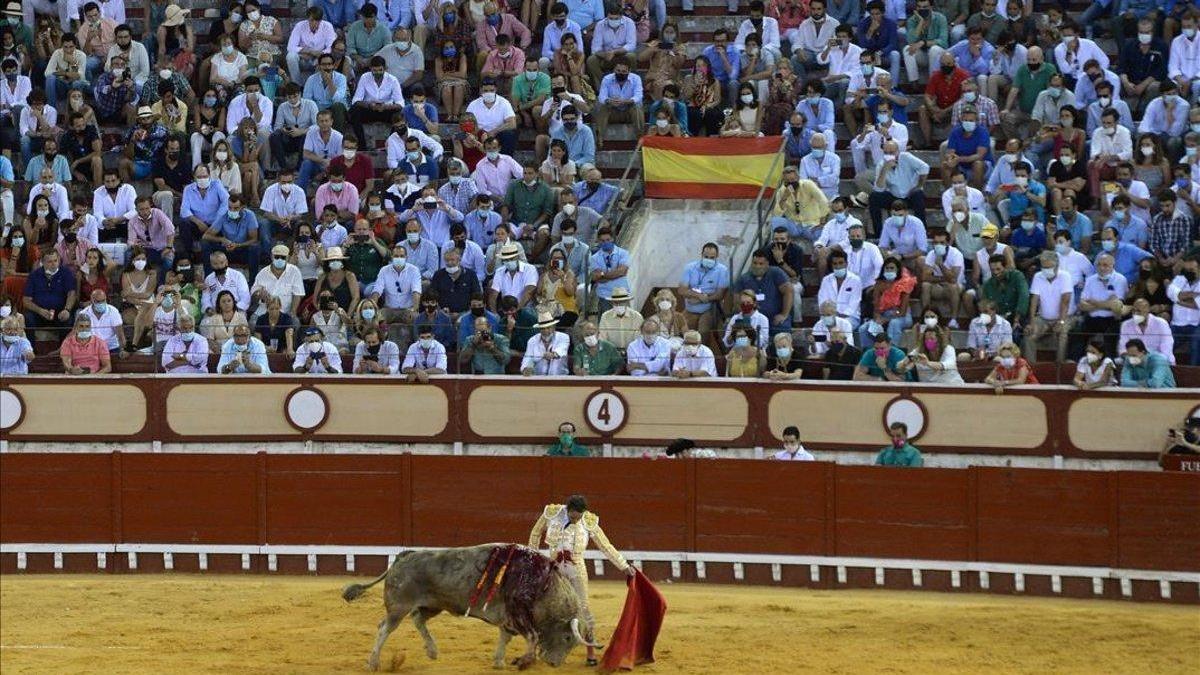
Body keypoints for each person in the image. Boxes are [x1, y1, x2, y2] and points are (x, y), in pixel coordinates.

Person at [527, 495, 634, 666]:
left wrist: (624, 566)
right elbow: (535, 532)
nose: (576, 520)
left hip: (576, 570)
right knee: (546, 607)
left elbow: (606, 546)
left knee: (583, 609)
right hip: (554, 569)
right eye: (573, 517)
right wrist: (532, 558)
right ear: (567, 510)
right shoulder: (552, 513)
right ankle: (540, 649)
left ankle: (590, 653)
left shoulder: (588, 521)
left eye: (579, 517)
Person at [520, 311, 570, 375]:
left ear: (554, 327)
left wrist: (553, 354)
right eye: (543, 328)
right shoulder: (532, 340)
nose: (546, 331)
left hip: (560, 379)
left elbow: (562, 350)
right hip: (538, 379)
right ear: (539, 329)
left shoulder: (563, 337)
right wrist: (525, 368)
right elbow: (527, 357)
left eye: (548, 328)